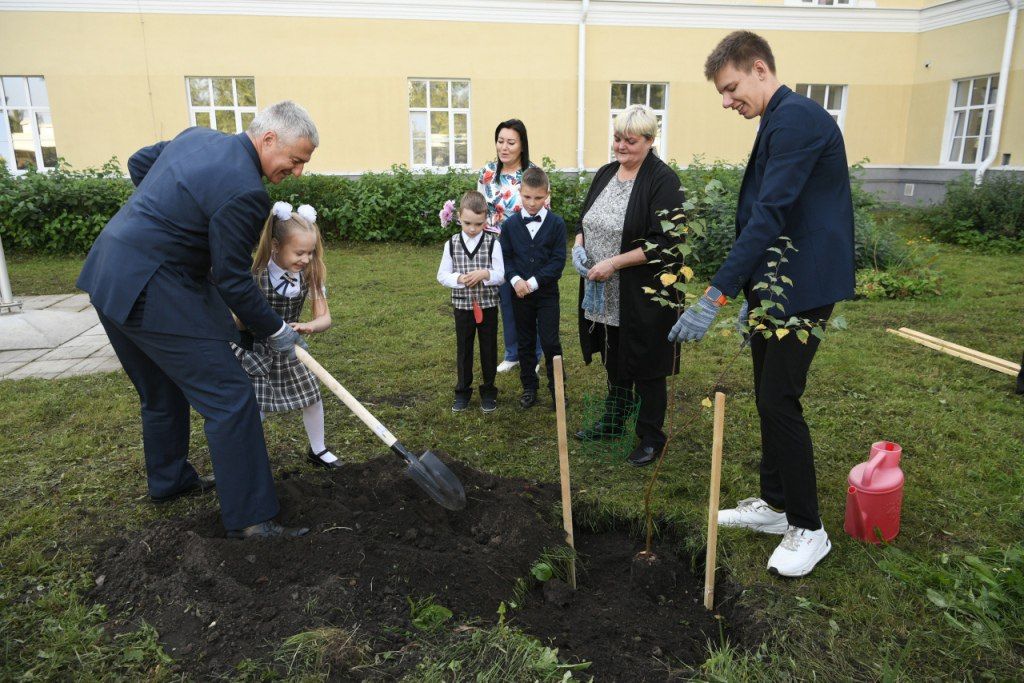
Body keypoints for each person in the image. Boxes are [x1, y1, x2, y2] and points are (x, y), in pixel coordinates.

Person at [76, 101, 319, 540]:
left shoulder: (197, 137)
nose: (297, 171)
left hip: (108, 271)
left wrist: (168, 217)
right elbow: (231, 280)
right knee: (230, 396)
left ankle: (170, 481)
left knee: (161, 387)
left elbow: (139, 163)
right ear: (267, 140)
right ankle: (252, 518)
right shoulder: (247, 193)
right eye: (295, 160)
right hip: (153, 290)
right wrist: (277, 330)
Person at [669, 31, 855, 577]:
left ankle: (810, 528)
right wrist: (755, 295)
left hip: (805, 287)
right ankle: (775, 507)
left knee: (780, 400)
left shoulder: (796, 118)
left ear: (758, 68)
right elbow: (776, 217)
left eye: (730, 89)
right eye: (722, 94)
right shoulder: (779, 118)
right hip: (778, 288)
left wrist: (716, 294)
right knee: (767, 395)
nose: (727, 102)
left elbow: (770, 214)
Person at [572, 104, 684, 467]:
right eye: (617, 138)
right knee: (614, 357)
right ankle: (614, 420)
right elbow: (585, 220)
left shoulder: (662, 182)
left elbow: (664, 243)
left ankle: (652, 436)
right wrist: (578, 245)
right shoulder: (606, 173)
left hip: (643, 294)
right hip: (605, 291)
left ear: (650, 141)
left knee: (647, 364)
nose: (620, 146)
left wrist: (614, 263)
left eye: (630, 141)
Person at [231, 201, 338, 468]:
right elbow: (236, 322)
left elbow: (325, 318)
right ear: (276, 246)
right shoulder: (254, 277)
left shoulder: (311, 274)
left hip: (290, 349)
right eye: (299, 252)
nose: (306, 259)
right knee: (257, 407)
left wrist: (310, 326)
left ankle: (318, 449)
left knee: (312, 395)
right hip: (256, 352)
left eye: (311, 252)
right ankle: (249, 458)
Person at [477, 119, 542, 374]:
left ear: (522, 145)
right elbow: (479, 208)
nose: (504, 147)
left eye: (511, 142)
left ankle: (534, 355)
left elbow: (543, 212)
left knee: (528, 300)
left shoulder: (532, 174)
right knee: (505, 301)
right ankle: (512, 353)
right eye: (500, 141)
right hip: (496, 249)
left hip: (528, 248)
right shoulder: (487, 173)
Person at [498, 167, 566, 409]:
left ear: (547, 194)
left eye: (538, 198)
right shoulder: (509, 226)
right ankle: (529, 387)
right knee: (525, 341)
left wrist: (534, 282)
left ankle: (558, 389)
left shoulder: (557, 224)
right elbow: (505, 258)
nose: (533, 203)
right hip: (520, 295)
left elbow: (557, 262)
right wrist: (516, 280)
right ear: (520, 192)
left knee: (550, 341)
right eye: (527, 197)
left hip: (546, 294)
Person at [436, 191, 505, 413]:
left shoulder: (493, 243)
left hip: (488, 306)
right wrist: (459, 279)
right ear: (458, 217)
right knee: (464, 349)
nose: (473, 229)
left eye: (478, 223)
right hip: (463, 307)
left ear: (486, 219)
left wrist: (486, 274)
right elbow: (442, 275)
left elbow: (501, 274)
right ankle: (462, 392)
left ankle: (488, 391)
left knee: (488, 349)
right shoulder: (452, 244)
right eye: (467, 223)